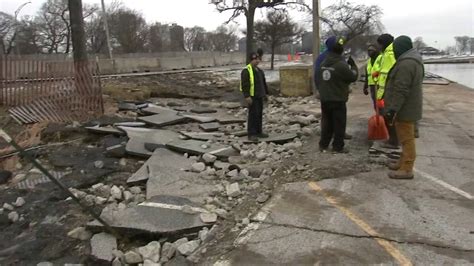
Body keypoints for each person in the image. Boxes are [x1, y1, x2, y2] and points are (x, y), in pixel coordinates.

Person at [384, 36, 424, 179]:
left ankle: (407, 168)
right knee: (404, 137)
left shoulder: (406, 64)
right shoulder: (413, 61)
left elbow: (401, 89)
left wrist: (393, 109)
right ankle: (402, 162)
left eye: (395, 49)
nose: (394, 52)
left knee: (407, 139)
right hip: (409, 107)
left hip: (405, 109)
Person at [316, 37, 358, 153]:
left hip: (325, 99)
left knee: (327, 122)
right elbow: (352, 77)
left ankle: (323, 144)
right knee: (339, 124)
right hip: (338, 99)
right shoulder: (341, 64)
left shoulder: (323, 62)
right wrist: (353, 66)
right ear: (341, 50)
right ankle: (337, 147)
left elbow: (318, 78)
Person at [372, 33, 399, 149]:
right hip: (383, 92)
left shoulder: (389, 55)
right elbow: (384, 72)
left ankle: (393, 141)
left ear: (383, 43)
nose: (378, 47)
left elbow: (390, 74)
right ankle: (392, 139)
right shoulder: (386, 54)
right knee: (387, 116)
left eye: (379, 44)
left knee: (389, 116)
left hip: (387, 93)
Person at [240, 52, 268, 142]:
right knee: (253, 115)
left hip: (259, 95)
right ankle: (251, 133)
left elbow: (263, 83)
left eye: (258, 59)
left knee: (259, 114)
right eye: (255, 59)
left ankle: (258, 131)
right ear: (250, 60)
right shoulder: (246, 71)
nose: (257, 61)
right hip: (252, 97)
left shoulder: (259, 71)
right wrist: (247, 96)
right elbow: (244, 85)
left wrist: (265, 94)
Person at [364, 44, 380, 109]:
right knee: (375, 104)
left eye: (371, 50)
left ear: (376, 51)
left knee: (381, 103)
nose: (369, 52)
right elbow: (367, 75)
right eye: (368, 51)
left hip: (380, 85)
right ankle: (378, 117)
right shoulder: (368, 62)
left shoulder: (381, 59)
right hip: (372, 86)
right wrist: (365, 86)